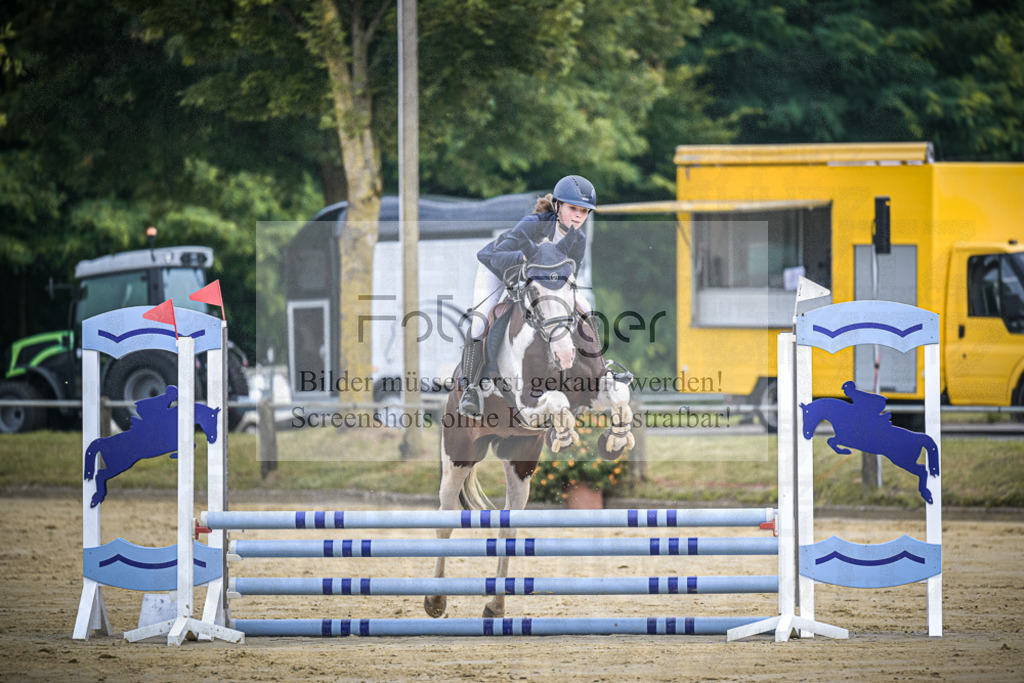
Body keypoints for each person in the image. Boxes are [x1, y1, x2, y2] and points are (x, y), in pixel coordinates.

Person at [458, 175, 597, 419]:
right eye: (573, 208)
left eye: (584, 211)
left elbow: (569, 276)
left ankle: (596, 370)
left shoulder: (579, 240)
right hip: (498, 270)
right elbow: (499, 256)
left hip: (538, 285)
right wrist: (525, 260)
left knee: (586, 309)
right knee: (480, 322)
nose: (578, 216)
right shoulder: (534, 223)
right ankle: (470, 389)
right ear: (557, 206)